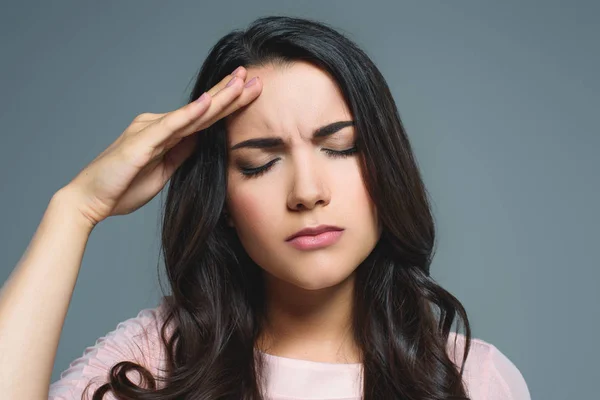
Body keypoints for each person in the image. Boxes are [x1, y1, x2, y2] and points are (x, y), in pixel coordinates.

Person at [0, 16, 530, 400]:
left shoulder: (471, 379)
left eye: (341, 147)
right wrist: (76, 209)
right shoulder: (159, 360)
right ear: (224, 202)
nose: (306, 191)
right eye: (259, 163)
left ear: (386, 165)